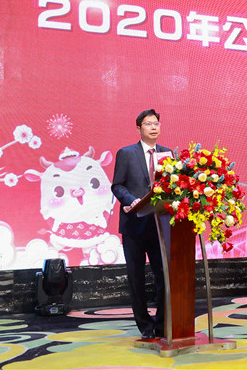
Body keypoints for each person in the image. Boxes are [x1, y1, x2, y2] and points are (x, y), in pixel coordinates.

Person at [111, 109, 170, 339]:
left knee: (163, 277)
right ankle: (145, 325)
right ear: (139, 128)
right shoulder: (126, 153)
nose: (154, 127)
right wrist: (131, 200)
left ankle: (162, 324)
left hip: (160, 227)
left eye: (156, 123)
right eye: (148, 124)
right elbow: (117, 185)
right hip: (134, 226)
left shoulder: (168, 154)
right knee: (136, 278)